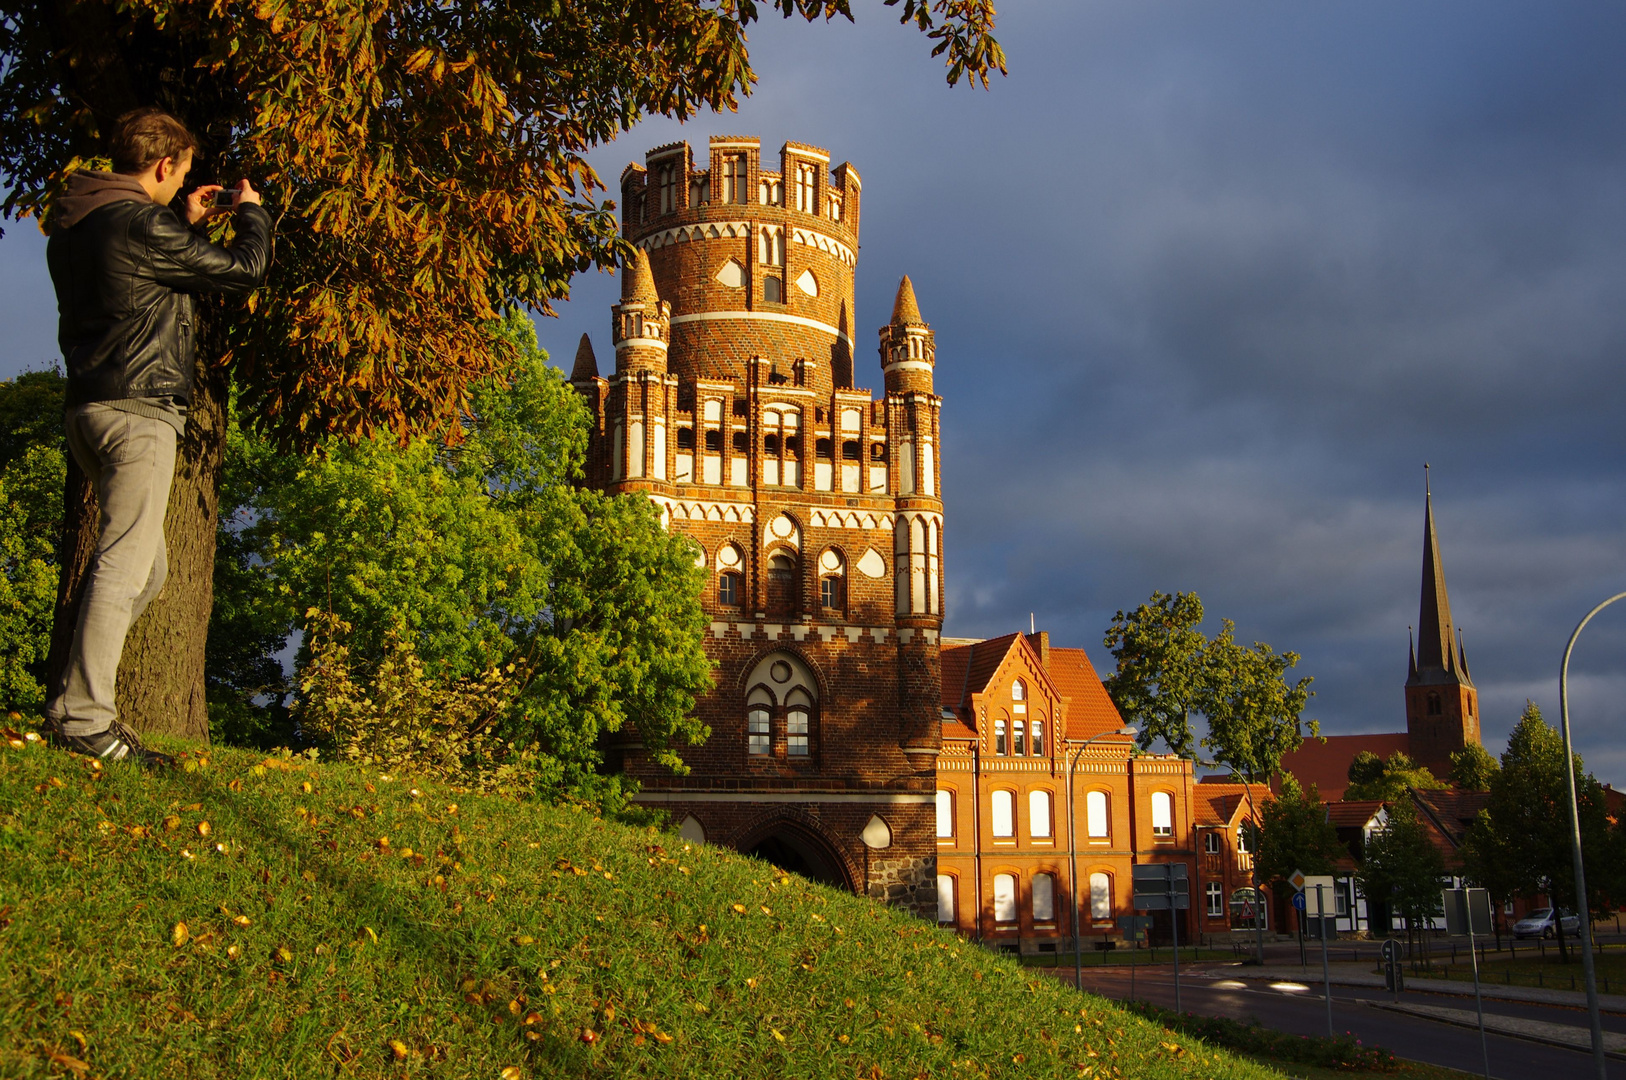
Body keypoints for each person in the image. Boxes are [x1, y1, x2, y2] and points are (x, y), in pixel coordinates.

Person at [42, 107, 274, 764]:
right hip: (137, 414)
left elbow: (138, 277)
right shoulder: (140, 222)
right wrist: (252, 212)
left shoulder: (78, 225)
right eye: (182, 175)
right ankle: (85, 719)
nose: (180, 186)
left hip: (88, 409)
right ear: (165, 164)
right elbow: (241, 272)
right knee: (123, 566)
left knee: (148, 570)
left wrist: (186, 220)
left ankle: (69, 701)